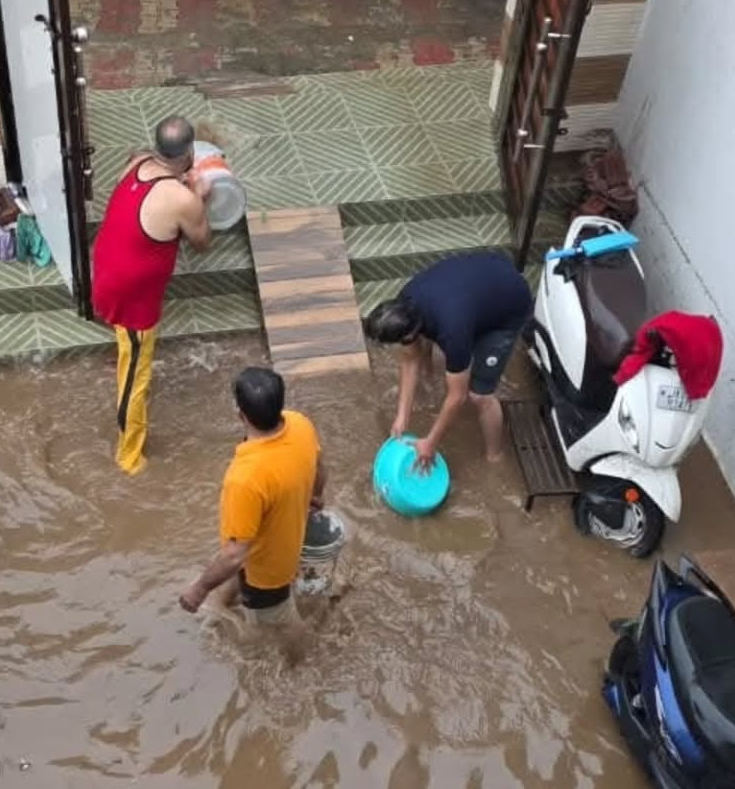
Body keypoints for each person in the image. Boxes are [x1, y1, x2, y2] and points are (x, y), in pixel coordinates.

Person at [91, 115, 213, 475]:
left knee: (128, 348)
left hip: (106, 269)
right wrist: (200, 197)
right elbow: (203, 241)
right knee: (136, 381)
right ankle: (129, 458)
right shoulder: (180, 198)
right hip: (133, 299)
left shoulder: (137, 161)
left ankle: (120, 353)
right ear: (189, 152)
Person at [179, 367, 325, 643]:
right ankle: (220, 603)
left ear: (241, 415)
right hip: (278, 540)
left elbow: (234, 555)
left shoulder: (245, 478)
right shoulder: (301, 424)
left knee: (281, 620)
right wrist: (315, 496)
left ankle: (304, 656)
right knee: (239, 564)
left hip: (268, 572)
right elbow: (321, 467)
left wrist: (198, 589)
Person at [364, 250, 532, 470]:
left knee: (479, 395)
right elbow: (409, 360)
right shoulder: (404, 303)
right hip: (482, 276)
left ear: (409, 334)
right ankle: (431, 380)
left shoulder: (453, 332)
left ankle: (495, 457)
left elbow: (457, 397)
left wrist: (430, 442)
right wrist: (402, 417)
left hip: (510, 301)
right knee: (423, 352)